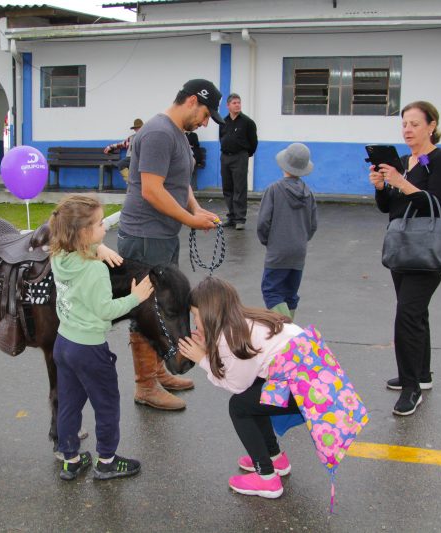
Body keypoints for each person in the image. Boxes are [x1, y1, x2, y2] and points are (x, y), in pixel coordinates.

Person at [117, 78, 223, 411]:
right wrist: (190, 221)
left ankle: (158, 372)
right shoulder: (159, 133)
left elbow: (178, 182)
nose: (206, 122)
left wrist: (194, 209)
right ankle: (145, 385)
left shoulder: (177, 134)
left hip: (162, 233)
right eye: (205, 114)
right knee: (145, 309)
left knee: (163, 307)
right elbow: (151, 189)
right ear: (192, 100)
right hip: (145, 236)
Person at [48, 194, 154, 481]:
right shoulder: (95, 270)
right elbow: (105, 311)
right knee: (106, 403)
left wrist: (99, 247)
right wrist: (135, 297)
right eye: (98, 224)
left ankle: (70, 459)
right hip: (89, 349)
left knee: (69, 403)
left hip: (63, 343)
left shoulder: (59, 256)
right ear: (82, 233)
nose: (104, 227)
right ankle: (106, 460)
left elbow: (83, 249)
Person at [177, 276, 305, 499]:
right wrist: (209, 348)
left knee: (239, 406)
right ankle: (274, 459)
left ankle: (266, 478)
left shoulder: (231, 336)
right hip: (315, 379)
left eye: (195, 315)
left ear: (209, 314)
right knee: (254, 395)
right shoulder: (243, 320)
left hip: (308, 388)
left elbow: (236, 385)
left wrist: (202, 359)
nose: (195, 322)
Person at [368, 100, 441, 416]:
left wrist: (402, 183)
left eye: (415, 124)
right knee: (415, 313)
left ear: (431, 126)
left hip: (429, 248)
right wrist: (382, 187)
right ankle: (421, 374)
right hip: (403, 247)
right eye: (404, 123)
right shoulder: (403, 162)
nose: (407, 129)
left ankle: (411, 389)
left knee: (407, 313)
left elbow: (440, 204)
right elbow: (390, 208)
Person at [257, 143, 317, 320]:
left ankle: (286, 329)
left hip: (278, 250)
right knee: (290, 294)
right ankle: (290, 333)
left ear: (283, 164)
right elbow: (313, 225)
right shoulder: (309, 193)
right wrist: (302, 240)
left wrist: (269, 241)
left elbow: (263, 223)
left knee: (271, 291)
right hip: (299, 251)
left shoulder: (274, 190)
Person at [219, 93, 258, 230]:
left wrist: (246, 154)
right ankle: (232, 217)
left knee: (239, 188)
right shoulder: (223, 122)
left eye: (239, 102)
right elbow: (221, 138)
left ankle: (240, 219)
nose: (237, 105)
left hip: (240, 157)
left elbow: (253, 142)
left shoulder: (247, 122)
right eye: (234, 103)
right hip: (225, 157)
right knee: (227, 188)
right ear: (228, 105)